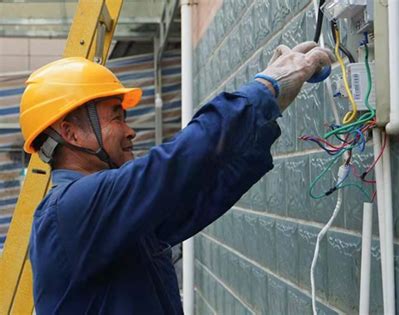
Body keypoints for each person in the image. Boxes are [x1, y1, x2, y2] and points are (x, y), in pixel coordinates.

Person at [20, 41, 334, 314]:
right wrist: (264, 90)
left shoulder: (111, 218)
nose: (130, 130)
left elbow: (204, 194)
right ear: (70, 132)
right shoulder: (68, 212)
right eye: (116, 116)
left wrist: (266, 111)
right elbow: (173, 163)